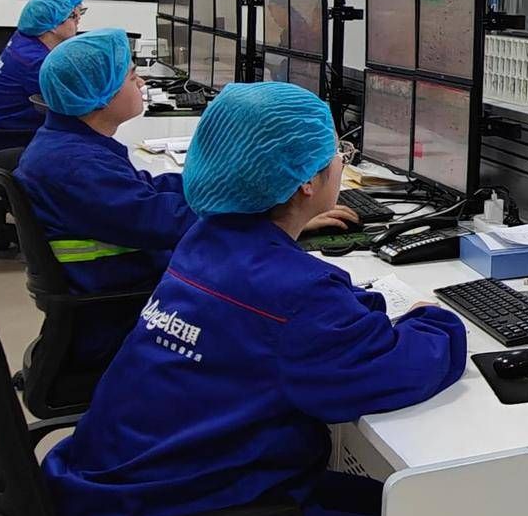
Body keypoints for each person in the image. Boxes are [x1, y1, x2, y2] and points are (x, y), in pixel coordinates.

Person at [42, 82, 493, 516]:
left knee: (375, 507)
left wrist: (343, 300)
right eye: (336, 153)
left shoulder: (204, 244)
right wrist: (436, 313)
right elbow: (408, 365)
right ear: (309, 182)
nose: (341, 163)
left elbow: (301, 321)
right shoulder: (294, 300)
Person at [18, 32, 359, 367]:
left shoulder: (71, 147)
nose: (140, 83)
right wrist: (280, 217)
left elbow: (145, 189)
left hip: (118, 293)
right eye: (132, 76)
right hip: (119, 315)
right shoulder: (75, 166)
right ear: (100, 95)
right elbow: (162, 221)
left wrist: (218, 180)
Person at [0, 0, 80, 134]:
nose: (78, 19)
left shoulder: (23, 38)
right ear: (53, 26)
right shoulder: (35, 62)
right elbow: (75, 101)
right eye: (72, 16)